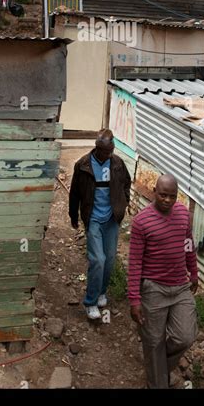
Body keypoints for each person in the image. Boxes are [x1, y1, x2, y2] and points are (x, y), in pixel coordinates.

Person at [128, 174, 198, 389]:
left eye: (172, 196)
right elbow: (135, 262)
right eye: (163, 195)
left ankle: (158, 366)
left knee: (185, 336)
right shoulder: (142, 221)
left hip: (179, 286)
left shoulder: (183, 214)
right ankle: (157, 382)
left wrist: (193, 272)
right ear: (154, 191)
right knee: (154, 341)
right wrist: (134, 299)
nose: (167, 200)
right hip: (153, 289)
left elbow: (188, 245)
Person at [69, 129, 131, 320]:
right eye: (104, 151)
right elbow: (75, 193)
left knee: (110, 259)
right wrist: (73, 216)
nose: (107, 155)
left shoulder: (118, 164)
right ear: (97, 148)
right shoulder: (83, 165)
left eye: (110, 151)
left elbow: (126, 184)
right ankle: (90, 302)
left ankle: (101, 291)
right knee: (98, 260)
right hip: (94, 219)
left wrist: (123, 203)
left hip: (111, 219)